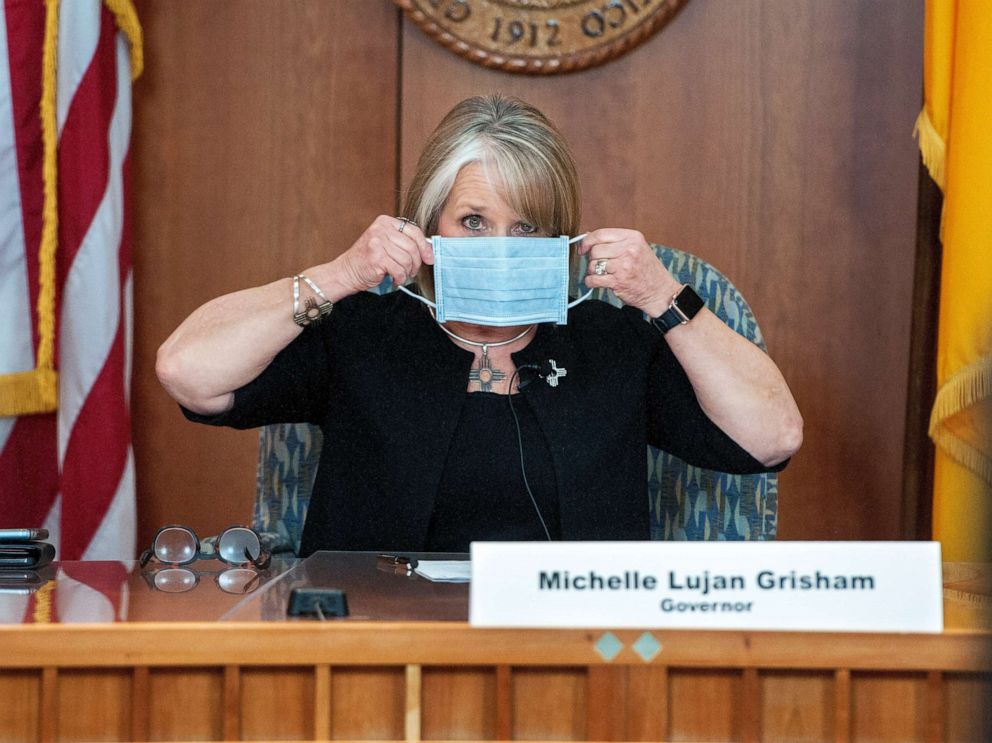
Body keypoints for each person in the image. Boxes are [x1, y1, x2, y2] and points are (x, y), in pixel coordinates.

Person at [157, 94, 803, 555]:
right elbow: (187, 370)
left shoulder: (612, 342)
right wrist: (339, 275)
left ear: (559, 239)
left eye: (525, 228)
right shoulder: (361, 333)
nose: (499, 244)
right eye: (473, 222)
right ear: (426, 224)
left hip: (582, 660)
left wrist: (664, 295)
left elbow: (773, 434)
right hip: (375, 660)